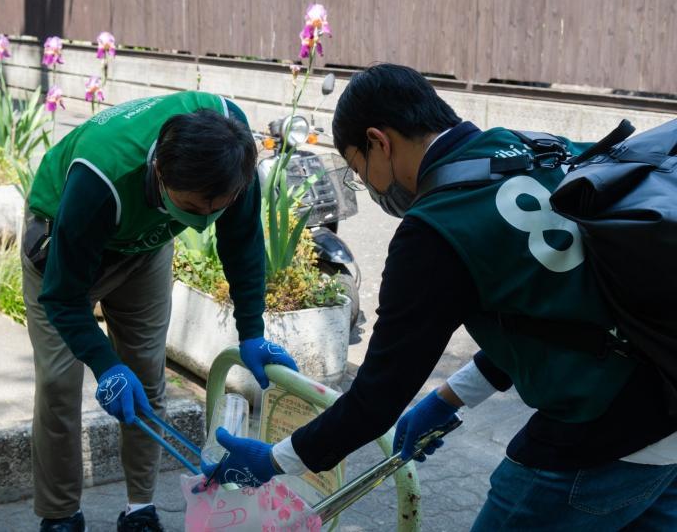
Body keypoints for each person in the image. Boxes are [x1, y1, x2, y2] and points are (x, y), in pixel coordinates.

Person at [203, 64, 677, 531]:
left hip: (609, 430)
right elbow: (550, 310)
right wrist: (450, 397)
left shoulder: (433, 231)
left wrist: (277, 459)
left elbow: (374, 399)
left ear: (379, 142)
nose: (367, 187)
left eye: (357, 168)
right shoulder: (530, 147)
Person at [21, 91, 298, 532]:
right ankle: (60, 515)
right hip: (62, 247)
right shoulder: (101, 177)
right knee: (59, 382)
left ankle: (139, 510)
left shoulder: (232, 152)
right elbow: (61, 296)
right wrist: (105, 366)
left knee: (148, 377)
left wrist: (251, 332)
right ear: (158, 172)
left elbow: (243, 245)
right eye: (190, 209)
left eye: (215, 209)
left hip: (145, 249)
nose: (204, 223)